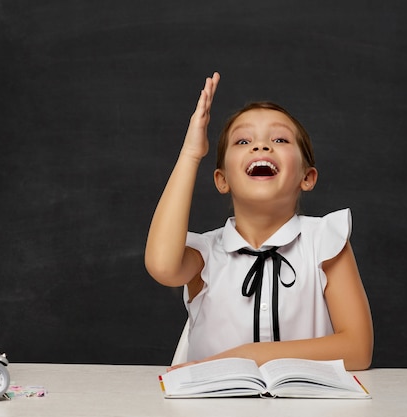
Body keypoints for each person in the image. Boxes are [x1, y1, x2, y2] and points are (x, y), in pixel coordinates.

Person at [145, 72, 373, 371]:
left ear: (307, 177)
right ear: (222, 180)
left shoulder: (326, 242)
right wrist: (191, 153)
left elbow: (357, 349)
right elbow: (163, 266)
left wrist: (248, 355)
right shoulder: (206, 254)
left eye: (279, 139)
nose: (261, 146)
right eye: (243, 140)